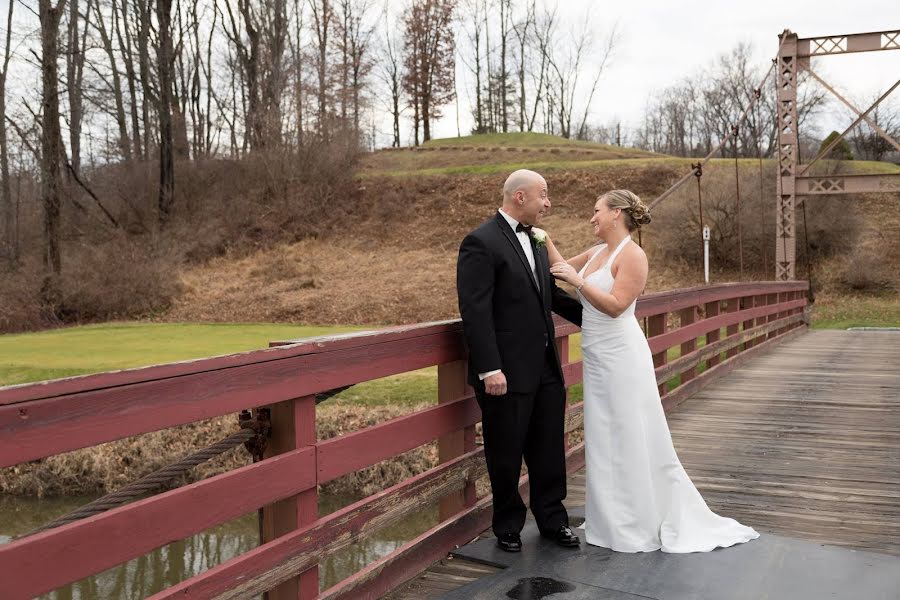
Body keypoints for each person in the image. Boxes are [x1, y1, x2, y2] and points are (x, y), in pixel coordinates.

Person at [545, 189, 759, 553]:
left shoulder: (633, 255)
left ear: (616, 214)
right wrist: (541, 236)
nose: (591, 218)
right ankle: (610, 518)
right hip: (597, 357)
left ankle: (636, 518)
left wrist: (578, 282)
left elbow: (615, 306)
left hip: (622, 355)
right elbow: (560, 265)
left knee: (629, 430)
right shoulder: (598, 252)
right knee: (604, 432)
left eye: (596, 211)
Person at [456, 169, 583, 553]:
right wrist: (489, 367)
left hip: (545, 366)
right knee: (506, 450)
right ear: (521, 197)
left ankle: (552, 520)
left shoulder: (539, 241)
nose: (549, 203)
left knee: (548, 448)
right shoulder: (480, 242)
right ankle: (508, 525)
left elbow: (551, 296)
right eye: (544, 195)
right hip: (505, 372)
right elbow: (475, 310)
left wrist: (604, 317)